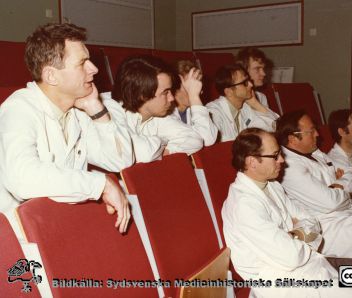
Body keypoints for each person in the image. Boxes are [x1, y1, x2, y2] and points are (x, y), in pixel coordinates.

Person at [0, 23, 132, 233]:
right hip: (15, 238)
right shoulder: (18, 110)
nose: (94, 69)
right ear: (51, 76)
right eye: (82, 63)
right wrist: (100, 184)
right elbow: (22, 178)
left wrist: (96, 108)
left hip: (56, 226)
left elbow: (120, 160)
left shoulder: (77, 109)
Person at [222, 128, 352, 298]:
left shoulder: (272, 185)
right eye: (275, 155)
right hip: (292, 284)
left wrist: (294, 235)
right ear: (252, 161)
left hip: (316, 264)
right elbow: (291, 257)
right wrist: (301, 233)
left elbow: (312, 221)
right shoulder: (244, 206)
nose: (282, 160)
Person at [276, 110, 352, 264]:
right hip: (332, 232)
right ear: (293, 138)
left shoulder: (316, 154)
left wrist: (337, 185)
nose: (318, 134)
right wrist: (341, 186)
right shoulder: (289, 168)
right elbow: (330, 202)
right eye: (311, 131)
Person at [101, 56, 203, 163]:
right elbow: (142, 153)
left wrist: (166, 150)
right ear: (143, 94)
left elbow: (195, 139)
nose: (172, 98)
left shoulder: (155, 114)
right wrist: (163, 141)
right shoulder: (109, 109)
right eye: (165, 92)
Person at [206, 64, 277, 142]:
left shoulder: (245, 106)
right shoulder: (213, 112)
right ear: (229, 91)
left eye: (248, 80)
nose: (251, 84)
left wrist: (255, 103)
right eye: (245, 83)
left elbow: (273, 127)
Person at [170, 59, 217, 146]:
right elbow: (207, 140)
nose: (198, 91)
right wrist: (194, 96)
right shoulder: (165, 115)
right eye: (191, 86)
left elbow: (209, 138)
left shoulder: (192, 110)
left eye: (198, 85)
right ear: (174, 87)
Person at [236, 47, 278, 115]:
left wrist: (256, 104)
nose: (263, 74)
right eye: (257, 69)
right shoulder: (235, 98)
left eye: (263, 69)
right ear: (243, 71)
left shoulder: (261, 97)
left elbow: (272, 124)